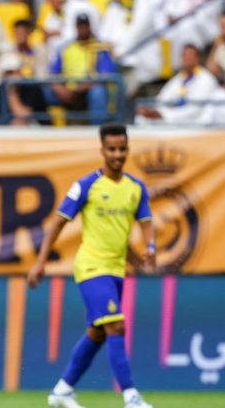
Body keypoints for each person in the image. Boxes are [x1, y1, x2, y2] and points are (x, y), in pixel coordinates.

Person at [27, 123, 155, 408]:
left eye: (122, 149)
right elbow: (58, 222)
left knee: (98, 332)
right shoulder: (86, 186)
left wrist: (151, 247)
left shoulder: (136, 188)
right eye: (112, 149)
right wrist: (41, 261)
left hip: (116, 270)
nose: (118, 155)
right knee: (116, 326)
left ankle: (62, 391)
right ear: (102, 150)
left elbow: (146, 221)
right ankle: (131, 397)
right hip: (91, 267)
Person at [135, 44, 218, 124]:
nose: (187, 58)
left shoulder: (206, 78)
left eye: (191, 55)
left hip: (194, 121)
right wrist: (150, 110)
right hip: (173, 118)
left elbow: (195, 110)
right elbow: (163, 98)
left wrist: (164, 115)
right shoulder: (179, 78)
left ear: (198, 58)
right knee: (141, 118)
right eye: (185, 55)